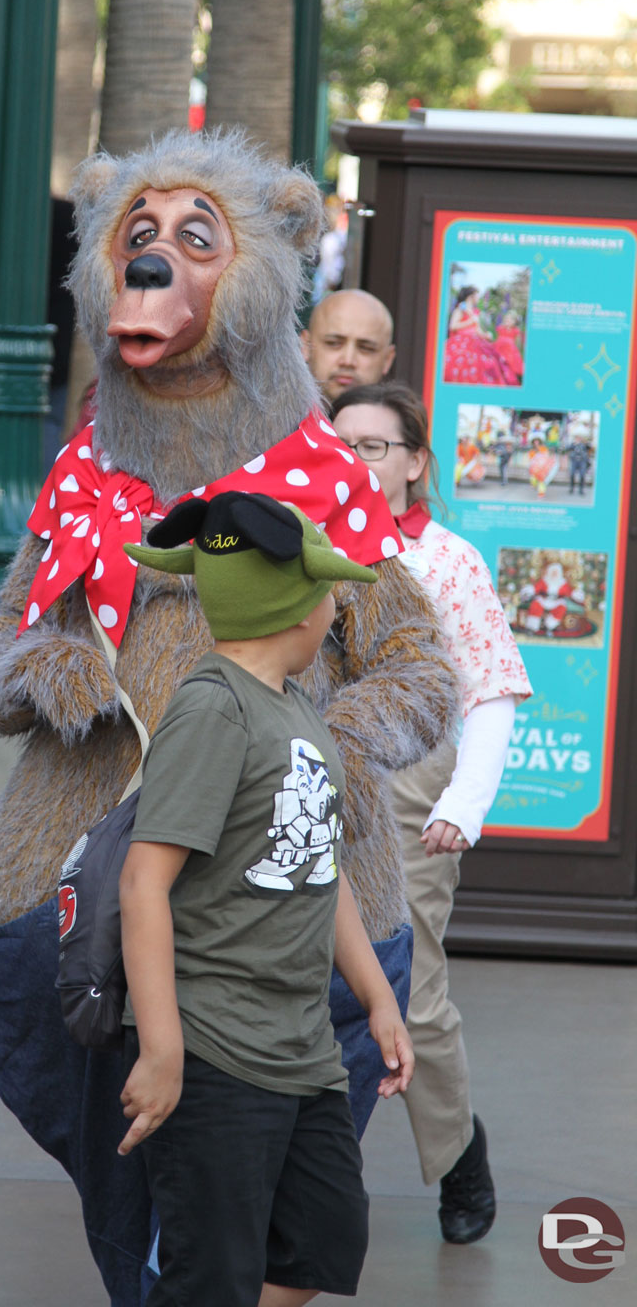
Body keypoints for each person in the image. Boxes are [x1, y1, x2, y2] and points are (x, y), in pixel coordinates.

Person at [117, 490, 413, 1307]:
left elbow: (321, 860)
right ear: (296, 605)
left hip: (303, 1046)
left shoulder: (292, 707)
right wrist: (162, 1047)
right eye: (327, 590)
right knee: (212, 1275)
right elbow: (145, 880)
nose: (334, 605)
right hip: (217, 1049)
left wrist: (377, 996)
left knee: (321, 1242)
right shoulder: (213, 709)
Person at [330, 382, 531, 1245]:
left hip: (413, 792)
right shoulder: (299, 542)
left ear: (415, 464)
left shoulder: (447, 560)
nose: (358, 460)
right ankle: (307, 1175)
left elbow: (491, 692)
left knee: (409, 991)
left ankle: (457, 1153)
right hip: (307, 780)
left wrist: (463, 804)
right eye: (344, 444)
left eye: (376, 446)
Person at [300, 288, 395, 407]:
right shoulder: (275, 419)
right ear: (306, 346)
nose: (348, 361)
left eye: (365, 348)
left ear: (387, 359)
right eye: (334, 343)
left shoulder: (399, 424)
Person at [443, 287, 519, 387]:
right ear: (470, 297)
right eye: (476, 295)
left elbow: (477, 329)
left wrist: (485, 335)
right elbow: (453, 326)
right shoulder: (460, 309)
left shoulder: (475, 311)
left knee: (489, 362)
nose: (478, 298)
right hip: (461, 341)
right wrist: (470, 321)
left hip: (476, 341)